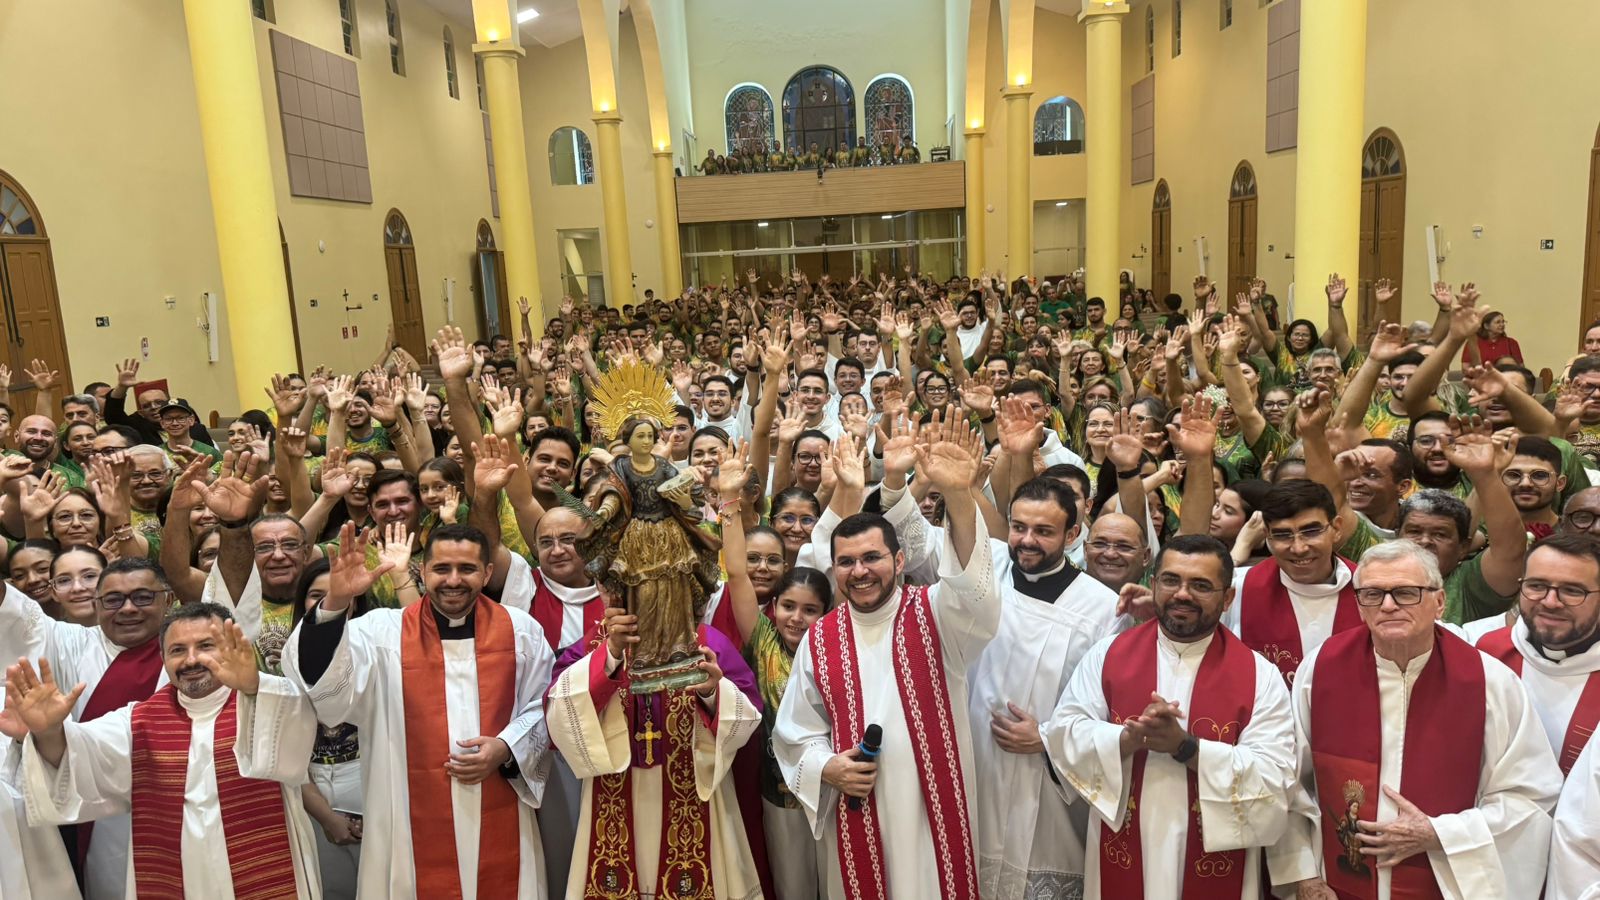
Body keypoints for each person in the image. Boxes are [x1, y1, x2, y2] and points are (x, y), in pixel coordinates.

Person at [772, 411, 998, 899]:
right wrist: (825, 767)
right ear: (834, 570)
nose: (860, 572)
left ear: (898, 561)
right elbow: (794, 731)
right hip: (857, 816)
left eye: (872, 558)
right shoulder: (821, 637)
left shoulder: (936, 612)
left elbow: (977, 599)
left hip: (934, 813)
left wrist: (959, 495)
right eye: (847, 562)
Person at [1276, 540, 1561, 899]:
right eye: (1373, 594)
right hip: (1338, 882)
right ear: (1359, 604)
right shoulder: (1321, 669)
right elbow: (1290, 781)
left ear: (1439, 602)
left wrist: (1438, 833)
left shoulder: (1490, 682)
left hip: (1442, 880)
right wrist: (1304, 875)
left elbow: (1530, 798)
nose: (1389, 605)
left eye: (1407, 593)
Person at [284, 523, 556, 899]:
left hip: (500, 812)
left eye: (467, 569)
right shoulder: (381, 633)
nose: (453, 580)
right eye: (442, 569)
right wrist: (334, 604)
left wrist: (507, 748)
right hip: (405, 822)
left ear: (488, 573)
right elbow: (326, 690)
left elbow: (542, 707)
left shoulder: (521, 631)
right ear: (423, 571)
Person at [10, 602, 323, 898]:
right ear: (163, 658)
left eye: (205, 646)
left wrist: (254, 688)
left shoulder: (268, 702)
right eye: (177, 651)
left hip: (264, 870)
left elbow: (295, 748)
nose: (190, 660)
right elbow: (78, 758)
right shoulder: (138, 721)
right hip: (175, 878)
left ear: (231, 647)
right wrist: (49, 731)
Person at [1043, 534, 1296, 899]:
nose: (1182, 594)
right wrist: (1128, 738)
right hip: (1123, 846)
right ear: (1153, 583)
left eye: (1201, 585)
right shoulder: (1109, 653)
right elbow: (1065, 731)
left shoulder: (1260, 675)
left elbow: (1276, 774)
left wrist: (1187, 748)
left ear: (1227, 598)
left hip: (1214, 856)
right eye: (1171, 580)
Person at [962, 476, 1119, 900]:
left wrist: (1048, 740)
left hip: (1051, 788)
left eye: (1044, 531)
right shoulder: (986, 569)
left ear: (1073, 535)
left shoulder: (1104, 610)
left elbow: (1110, 714)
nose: (1026, 541)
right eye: (1019, 527)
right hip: (975, 764)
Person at [0, 557, 172, 900]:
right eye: (112, 600)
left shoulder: (189, 653)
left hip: (172, 811)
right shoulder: (71, 643)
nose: (127, 609)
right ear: (96, 604)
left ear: (168, 599)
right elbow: (16, 618)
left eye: (142, 597)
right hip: (94, 817)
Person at [1470, 535, 1600, 898]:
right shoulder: (1486, 656)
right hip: (1495, 858)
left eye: (1573, 590)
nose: (1550, 602)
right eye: (1537, 586)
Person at [1230, 478, 1361, 682]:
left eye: (1310, 531)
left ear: (1336, 528)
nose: (1298, 548)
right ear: (1267, 537)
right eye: (1283, 535)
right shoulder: (1239, 588)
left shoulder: (1371, 590)